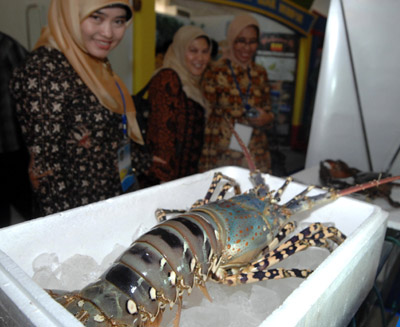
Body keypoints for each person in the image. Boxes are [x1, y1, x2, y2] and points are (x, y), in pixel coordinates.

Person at [9, 0, 152, 217]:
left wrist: (141, 161)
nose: (108, 32)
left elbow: (104, 134)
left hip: (111, 198)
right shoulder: (44, 69)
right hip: (78, 214)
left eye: (118, 21)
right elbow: (47, 173)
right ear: (70, 14)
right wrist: (70, 235)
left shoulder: (91, 62)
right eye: (96, 17)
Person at [199, 13, 274, 173]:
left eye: (252, 41)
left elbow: (269, 111)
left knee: (256, 194)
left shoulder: (260, 73)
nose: (247, 48)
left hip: (255, 151)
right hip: (223, 153)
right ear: (232, 39)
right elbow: (206, 115)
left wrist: (267, 118)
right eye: (241, 41)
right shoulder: (216, 70)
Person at [145, 25, 211, 183]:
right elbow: (162, 137)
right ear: (180, 50)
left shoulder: (192, 84)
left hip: (184, 180)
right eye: (193, 51)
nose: (200, 58)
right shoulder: (168, 79)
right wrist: (165, 185)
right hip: (166, 182)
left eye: (205, 51)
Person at [0, 32, 32, 226]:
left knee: (23, 203)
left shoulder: (5, 46)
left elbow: (32, 78)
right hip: (10, 143)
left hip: (10, 139)